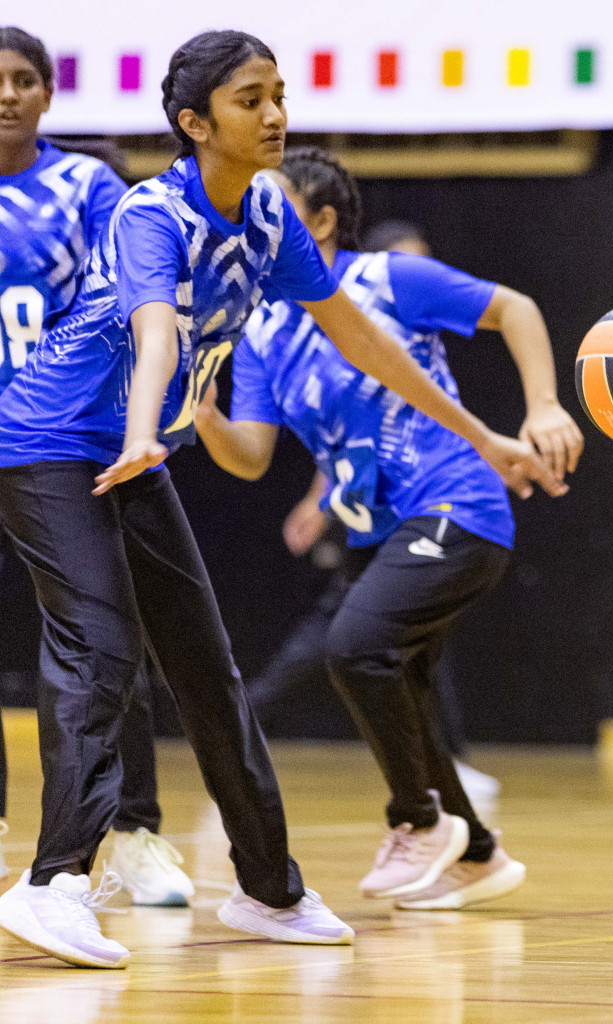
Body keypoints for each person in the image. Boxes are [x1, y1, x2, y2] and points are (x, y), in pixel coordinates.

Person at [0, 30, 560, 969]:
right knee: (98, 648)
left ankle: (269, 890)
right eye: (250, 99)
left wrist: (485, 435)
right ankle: (53, 882)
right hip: (49, 441)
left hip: (133, 452)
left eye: (278, 95)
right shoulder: (152, 214)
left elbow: (363, 338)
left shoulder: (268, 217)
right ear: (193, 122)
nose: (275, 115)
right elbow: (153, 330)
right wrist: (146, 429)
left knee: (207, 668)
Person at [193, 146, 581, 909]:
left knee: (357, 648)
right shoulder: (266, 332)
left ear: (324, 221)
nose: (252, 228)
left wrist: (541, 405)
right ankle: (474, 851)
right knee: (402, 678)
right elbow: (250, 456)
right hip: (380, 532)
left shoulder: (386, 280)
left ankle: (417, 817)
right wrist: (203, 411)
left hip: (457, 505)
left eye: (271, 209)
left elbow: (517, 310)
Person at [0, 26, 194, 907]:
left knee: (102, 630)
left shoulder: (86, 186)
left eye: (22, 78)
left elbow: (127, 298)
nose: (6, 93)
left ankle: (136, 831)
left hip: (60, 437)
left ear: (47, 93)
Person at [251, 219, 502, 804]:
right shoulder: (349, 326)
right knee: (343, 640)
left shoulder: (415, 343)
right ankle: (250, 719)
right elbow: (339, 433)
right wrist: (317, 503)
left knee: (407, 646)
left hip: (421, 513)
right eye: (412, 264)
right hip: (370, 518)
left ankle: (443, 797)